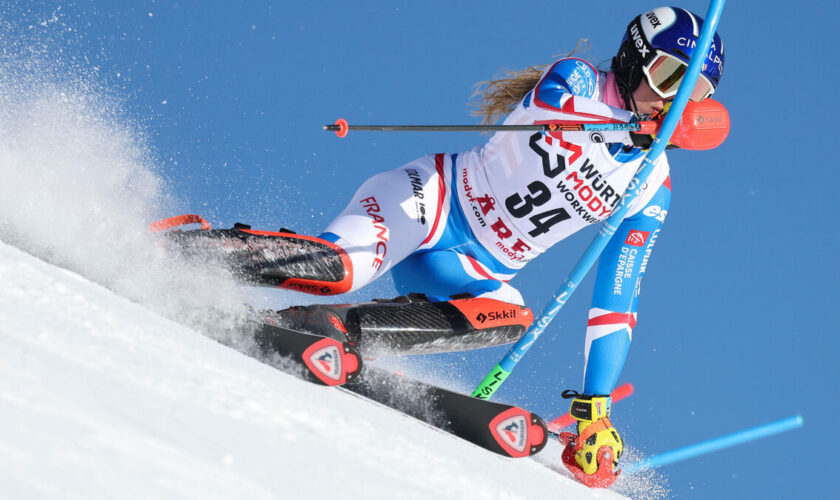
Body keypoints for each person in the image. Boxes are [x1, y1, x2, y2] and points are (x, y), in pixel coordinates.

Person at [162, 6, 724, 485]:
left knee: (509, 316)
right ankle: (186, 251)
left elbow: (615, 302)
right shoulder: (578, 82)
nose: (673, 103)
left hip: (471, 269)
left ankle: (334, 327)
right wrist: (628, 129)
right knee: (336, 266)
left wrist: (595, 407)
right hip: (430, 204)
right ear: (633, 57)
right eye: (670, 78)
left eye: (693, 94)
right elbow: (555, 111)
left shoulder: (652, 185)